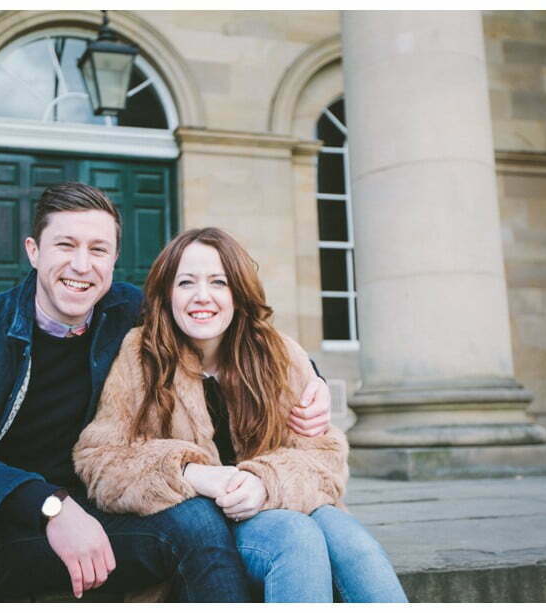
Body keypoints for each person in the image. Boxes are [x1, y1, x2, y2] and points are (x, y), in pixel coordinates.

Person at [0, 183, 332, 602]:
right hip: (4, 521)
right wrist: (50, 505)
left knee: (197, 520)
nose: (81, 265)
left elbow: (227, 328)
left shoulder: (128, 311)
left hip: (106, 515)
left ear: (113, 260)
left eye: (97, 250)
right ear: (34, 251)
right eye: (65, 245)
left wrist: (313, 381)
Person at [74, 227, 408, 603]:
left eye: (219, 282)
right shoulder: (142, 356)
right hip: (203, 537)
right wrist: (191, 474)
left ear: (238, 292)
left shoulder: (278, 354)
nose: (203, 297)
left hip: (273, 505)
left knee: (353, 542)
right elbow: (100, 462)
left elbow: (327, 460)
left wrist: (264, 482)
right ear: (168, 294)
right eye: (186, 283)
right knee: (294, 536)